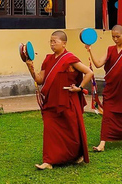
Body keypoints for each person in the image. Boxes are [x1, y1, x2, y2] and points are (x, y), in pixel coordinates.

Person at [26, 30, 92, 170]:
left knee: (71, 131)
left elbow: (89, 73)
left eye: (55, 41)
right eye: (50, 41)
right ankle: (48, 161)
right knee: (50, 130)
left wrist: (79, 88)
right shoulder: (48, 59)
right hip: (51, 101)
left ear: (64, 43)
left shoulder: (70, 58)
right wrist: (30, 67)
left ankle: (74, 154)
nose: (52, 44)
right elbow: (40, 79)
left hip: (67, 101)